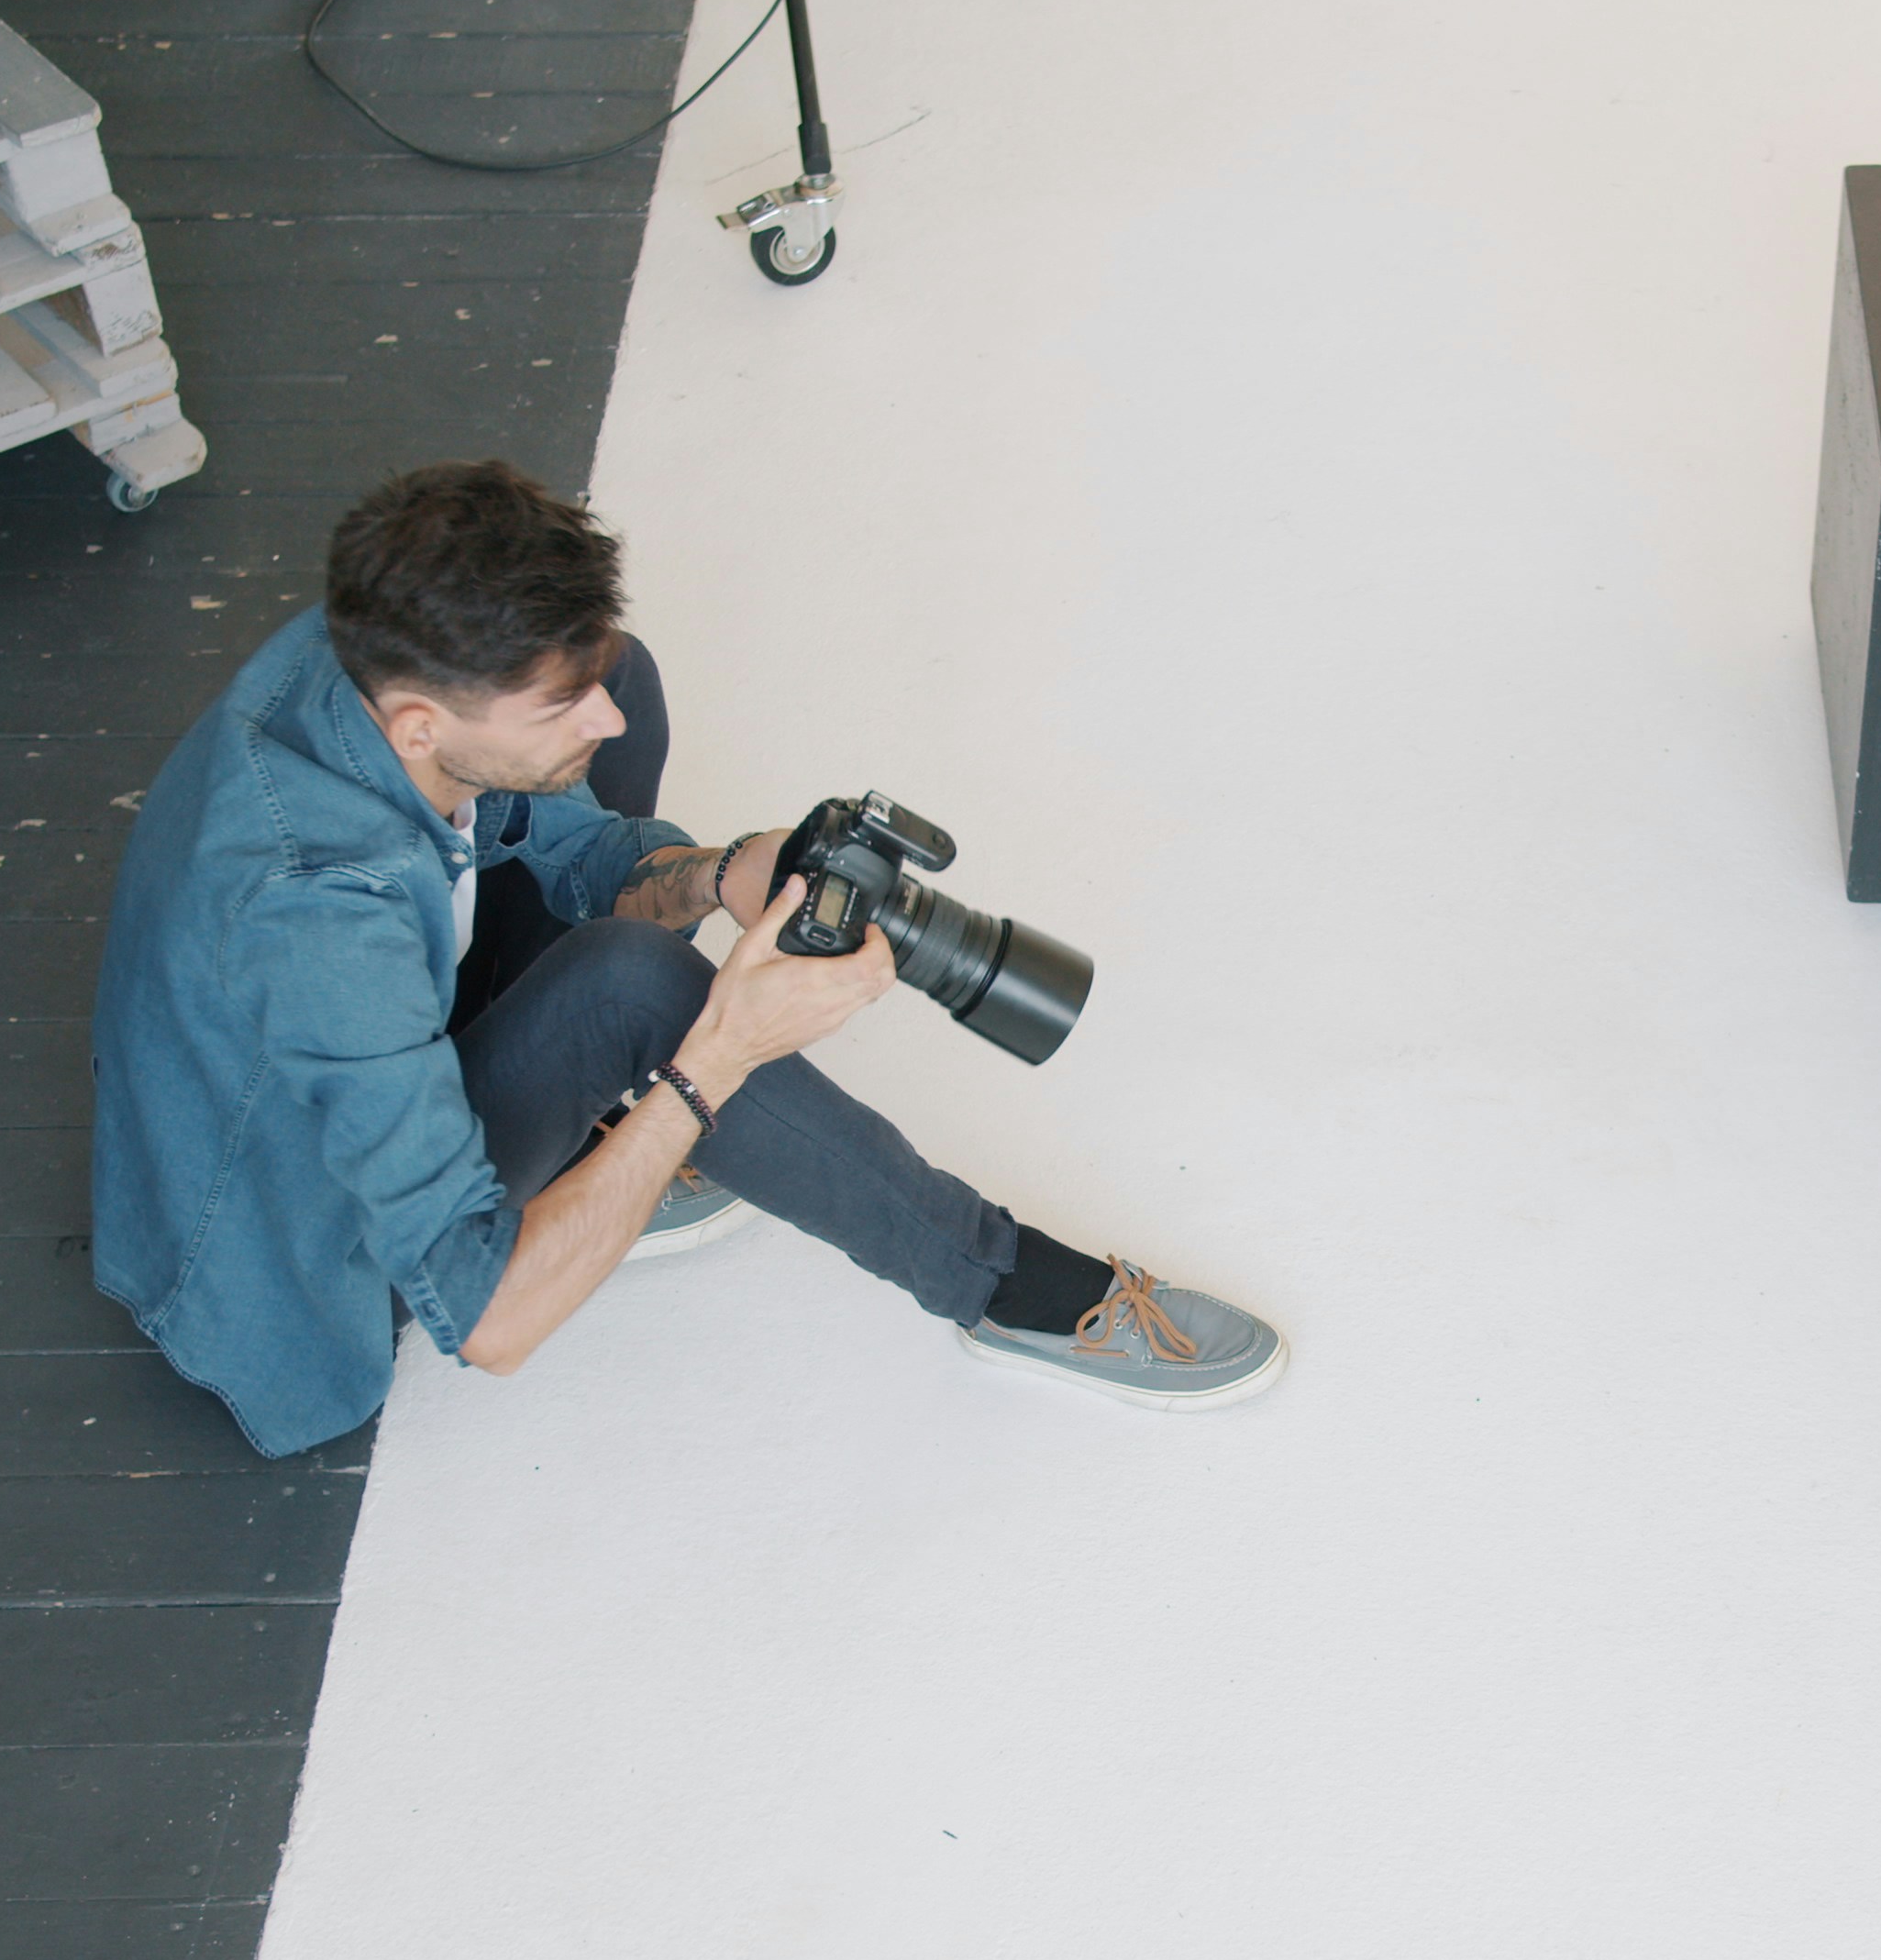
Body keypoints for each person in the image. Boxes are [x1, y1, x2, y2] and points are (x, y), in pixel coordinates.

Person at [91, 460, 1285, 1458]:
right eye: (559, 706)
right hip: (314, 1243)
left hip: (381, 1038)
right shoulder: (316, 916)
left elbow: (557, 831)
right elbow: (492, 1324)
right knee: (643, 992)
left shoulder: (376, 658)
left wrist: (720, 874)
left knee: (632, 685)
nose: (601, 725)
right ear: (421, 726)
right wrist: (713, 1060)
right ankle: (1005, 1288)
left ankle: (595, 1143)